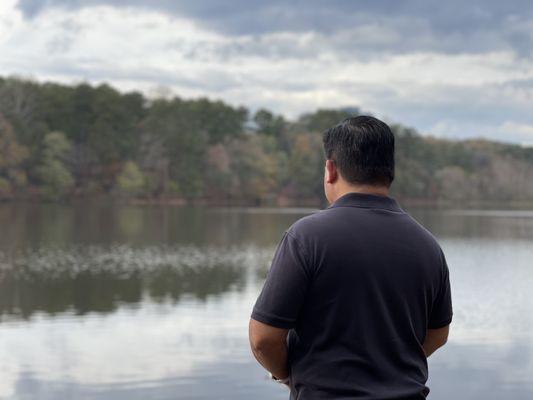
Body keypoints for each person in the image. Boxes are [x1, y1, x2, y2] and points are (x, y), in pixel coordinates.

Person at [248, 115, 453, 399]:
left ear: (330, 170)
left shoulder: (306, 237)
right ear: (389, 171)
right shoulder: (428, 245)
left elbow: (263, 339)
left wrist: (287, 374)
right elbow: (438, 335)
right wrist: (388, 363)